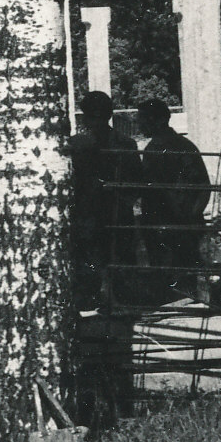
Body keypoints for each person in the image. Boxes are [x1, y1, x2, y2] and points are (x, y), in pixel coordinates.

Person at [66, 91, 142, 294]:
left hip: (88, 215)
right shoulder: (127, 143)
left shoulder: (74, 145)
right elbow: (138, 183)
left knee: (90, 266)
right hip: (115, 214)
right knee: (118, 266)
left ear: (84, 115)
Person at [135, 99, 212, 273]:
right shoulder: (150, 150)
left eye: (144, 119)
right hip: (157, 226)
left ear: (159, 120)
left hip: (182, 226)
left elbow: (203, 186)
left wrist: (191, 216)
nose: (139, 125)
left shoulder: (183, 147)